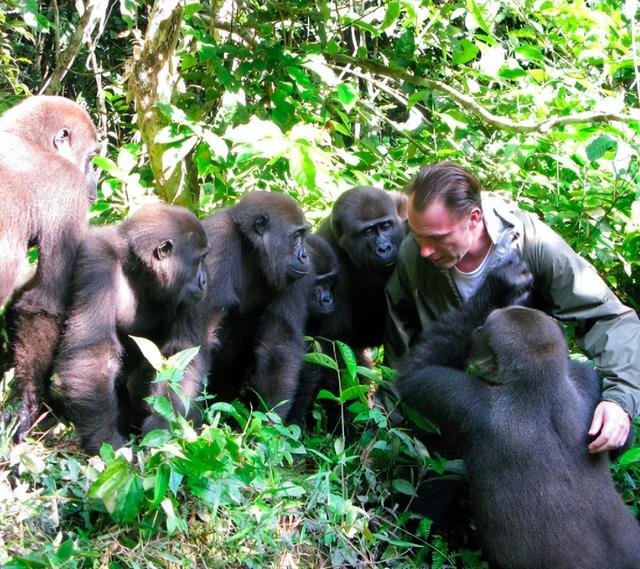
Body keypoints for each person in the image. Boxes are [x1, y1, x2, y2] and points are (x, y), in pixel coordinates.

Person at [385, 161, 640, 453]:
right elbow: (401, 341)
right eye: (417, 235)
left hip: (530, 386)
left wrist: (619, 401)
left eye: (437, 238)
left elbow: (609, 318)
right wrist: (391, 423)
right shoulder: (412, 255)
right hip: (462, 393)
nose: (424, 250)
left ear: (474, 217)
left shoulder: (532, 242)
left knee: (611, 431)